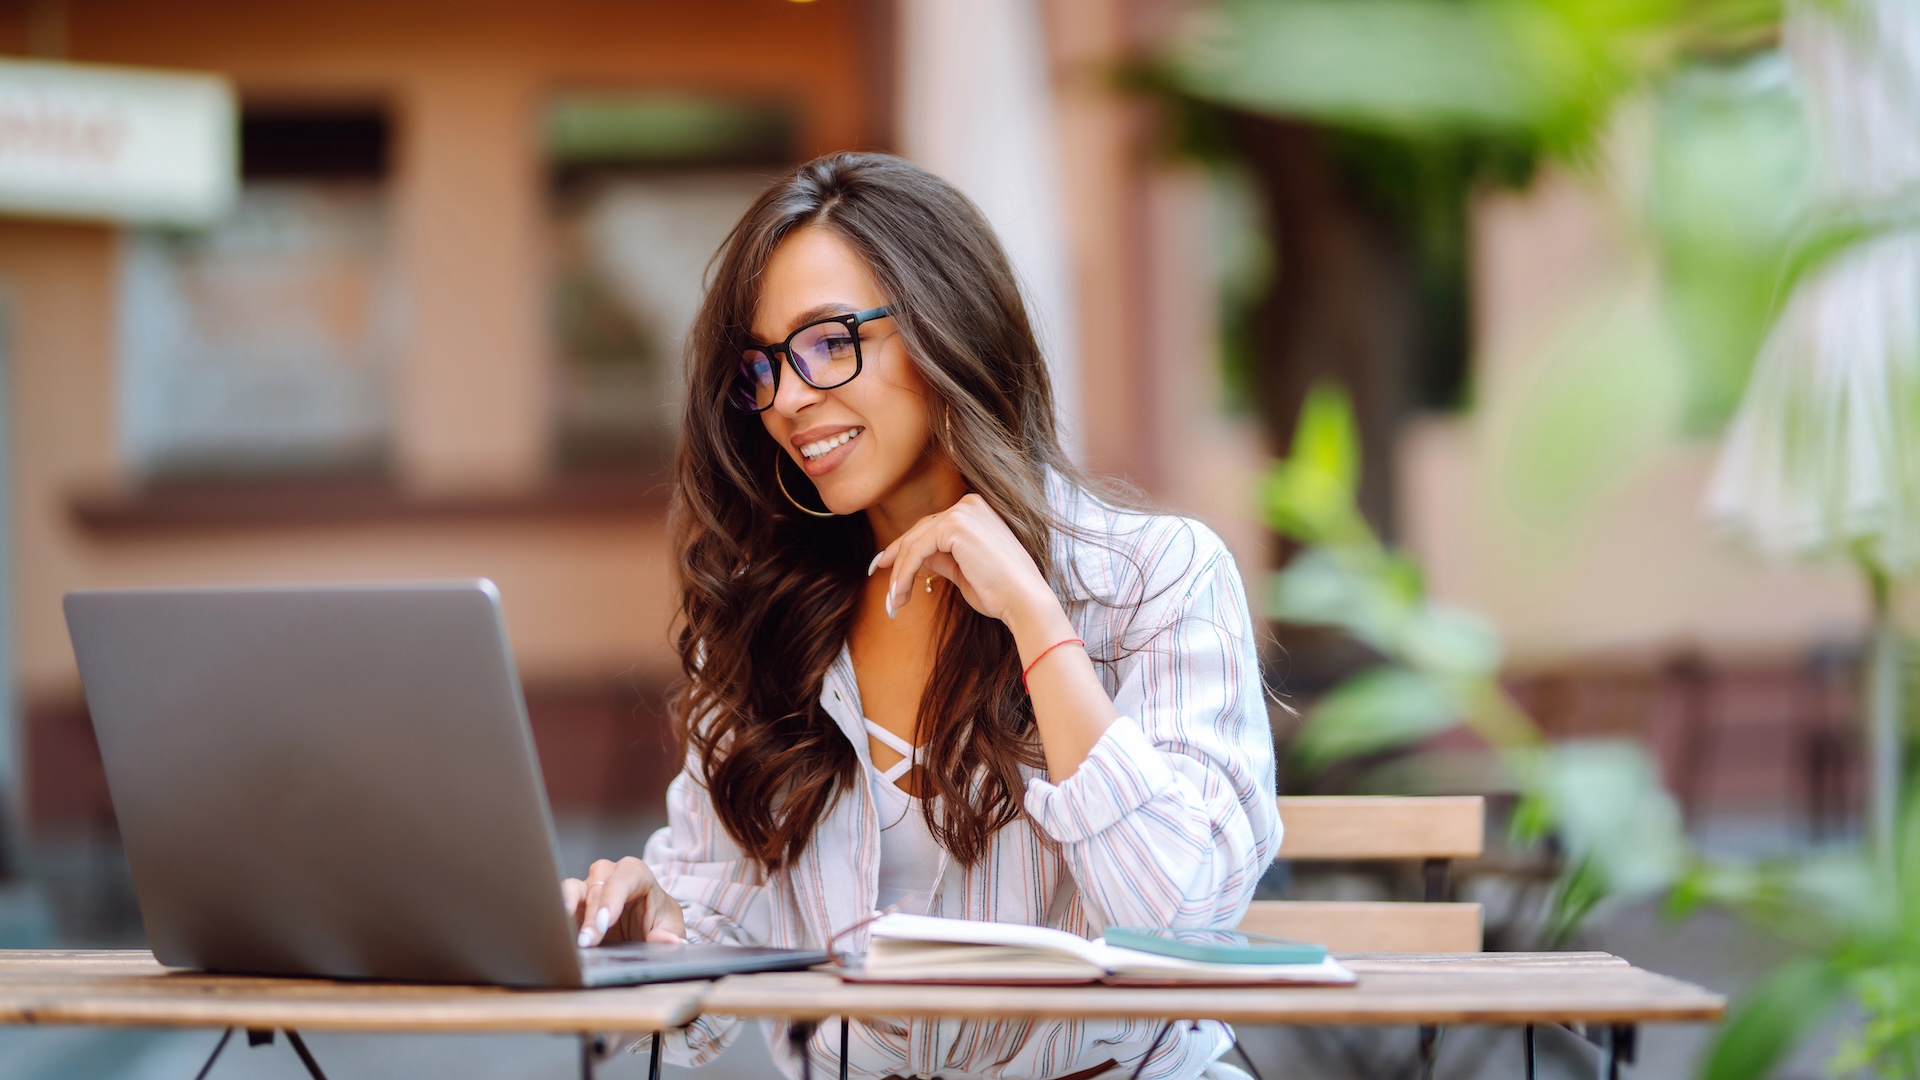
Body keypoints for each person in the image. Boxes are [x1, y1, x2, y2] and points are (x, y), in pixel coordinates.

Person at [561, 151, 1280, 1080]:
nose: (787, 399)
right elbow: (701, 968)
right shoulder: (775, 620)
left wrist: (1032, 615)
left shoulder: (1152, 579)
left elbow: (1181, 920)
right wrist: (640, 934)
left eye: (829, 342)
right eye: (763, 367)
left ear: (947, 325)